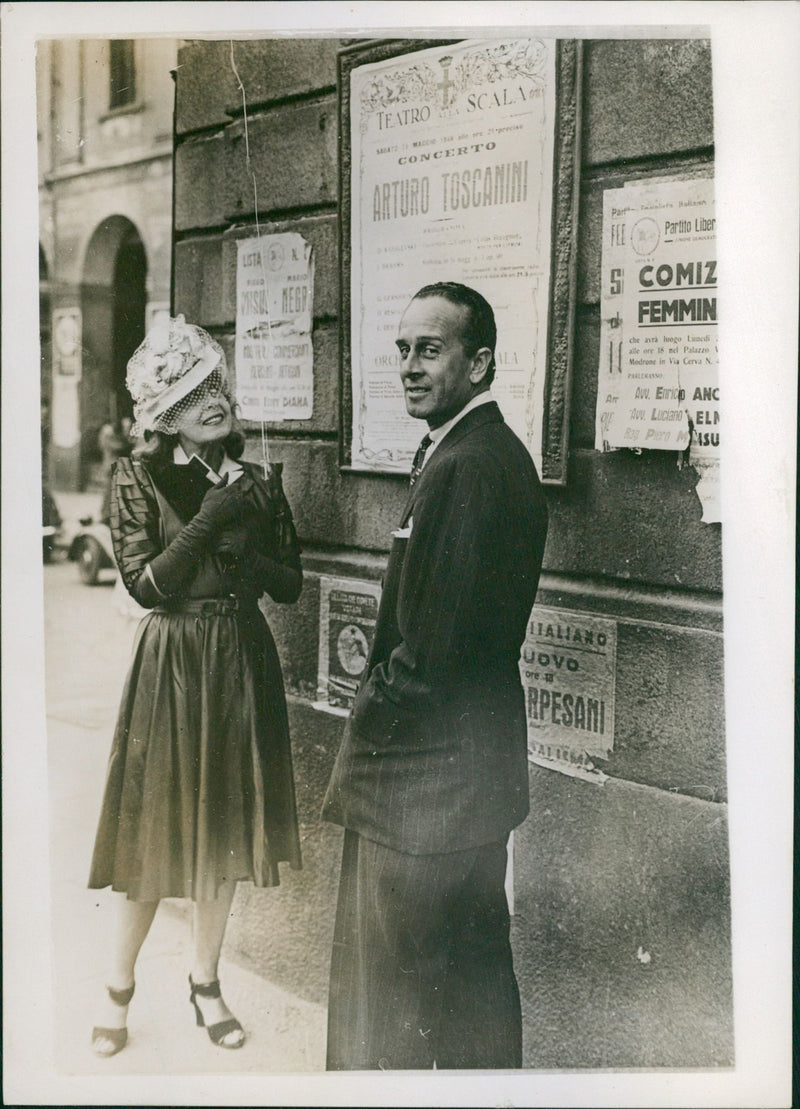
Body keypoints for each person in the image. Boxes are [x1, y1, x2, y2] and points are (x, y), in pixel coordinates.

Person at [322, 282, 549, 1070]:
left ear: (479, 361)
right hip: (465, 787)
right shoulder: (470, 452)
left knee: (395, 1012)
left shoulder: (471, 465)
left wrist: (365, 717)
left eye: (431, 349)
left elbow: (432, 656)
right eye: (402, 349)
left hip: (423, 795)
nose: (410, 367)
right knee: (469, 1003)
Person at [88, 316, 302, 1056]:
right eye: (191, 391)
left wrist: (252, 562)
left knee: (225, 834)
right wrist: (213, 520)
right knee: (153, 836)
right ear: (166, 415)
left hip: (240, 658)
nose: (213, 399)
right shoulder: (138, 477)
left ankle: (204, 980)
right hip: (173, 663)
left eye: (216, 383)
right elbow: (147, 585)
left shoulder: (260, 480)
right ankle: (118, 984)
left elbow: (293, 585)